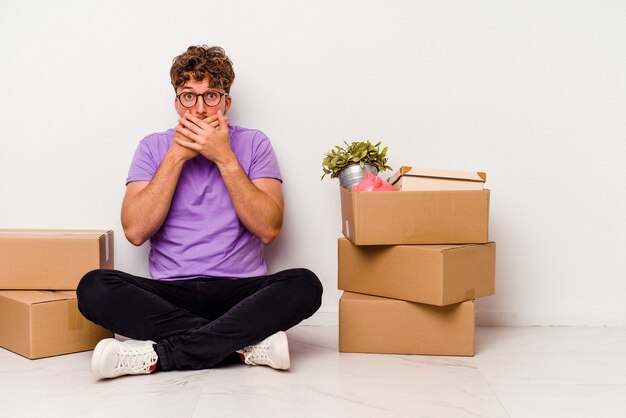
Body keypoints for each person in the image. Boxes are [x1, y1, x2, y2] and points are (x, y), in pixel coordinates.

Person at [77, 45, 323, 379]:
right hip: (170, 293)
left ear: (227, 102)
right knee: (94, 287)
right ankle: (241, 344)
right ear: (177, 103)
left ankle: (158, 356)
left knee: (305, 285)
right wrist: (177, 156)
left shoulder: (254, 144)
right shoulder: (153, 147)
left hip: (240, 291)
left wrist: (224, 157)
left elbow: (268, 228)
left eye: (211, 96)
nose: (200, 109)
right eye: (189, 97)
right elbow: (135, 231)